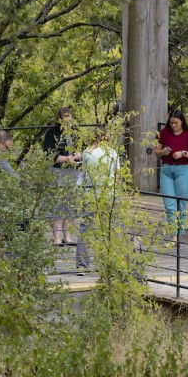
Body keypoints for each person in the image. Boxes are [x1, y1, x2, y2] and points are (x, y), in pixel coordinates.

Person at [152, 109, 188, 245]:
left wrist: (183, 153)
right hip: (167, 169)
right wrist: (163, 151)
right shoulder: (164, 133)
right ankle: (173, 235)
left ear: (182, 122)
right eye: (171, 123)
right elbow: (156, 151)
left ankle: (178, 235)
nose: (174, 125)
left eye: (176, 123)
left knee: (181, 203)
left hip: (184, 170)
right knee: (169, 204)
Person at [76, 127, 121, 273]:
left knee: (85, 228)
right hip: (108, 194)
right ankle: (108, 263)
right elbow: (117, 175)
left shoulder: (87, 153)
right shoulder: (113, 153)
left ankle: (82, 264)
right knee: (108, 228)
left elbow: (84, 173)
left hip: (91, 193)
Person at [43, 107, 82, 246]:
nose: (68, 123)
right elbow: (49, 155)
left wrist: (77, 156)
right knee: (57, 204)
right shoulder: (51, 133)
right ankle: (57, 237)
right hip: (57, 172)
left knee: (71, 204)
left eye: (70, 120)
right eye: (65, 120)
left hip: (73, 172)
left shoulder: (76, 133)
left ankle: (67, 236)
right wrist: (67, 159)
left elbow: (82, 150)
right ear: (59, 120)